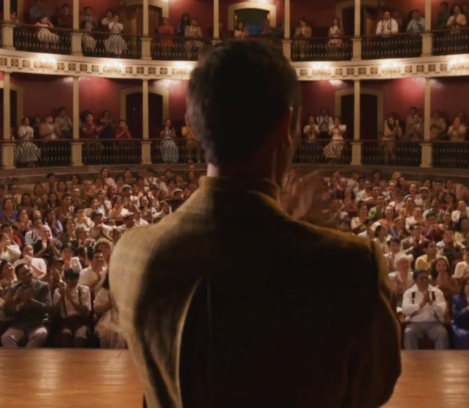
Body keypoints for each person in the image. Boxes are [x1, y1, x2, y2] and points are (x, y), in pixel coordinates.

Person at [110, 40, 401, 408]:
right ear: (285, 125)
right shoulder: (351, 264)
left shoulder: (129, 254)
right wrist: (310, 232)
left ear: (193, 127)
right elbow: (371, 391)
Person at [1, 263, 51, 348]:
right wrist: (17, 307)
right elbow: (6, 310)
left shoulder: (43, 286)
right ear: (18, 277)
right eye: (23, 273)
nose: (27, 274)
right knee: (5, 338)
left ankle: (25, 358)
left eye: (28, 271)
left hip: (37, 323)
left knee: (41, 334)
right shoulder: (14, 289)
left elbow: (47, 307)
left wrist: (31, 301)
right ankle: (19, 359)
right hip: (19, 324)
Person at [401, 268, 448, 350]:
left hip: (434, 323)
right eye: (421, 278)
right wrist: (421, 304)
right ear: (415, 281)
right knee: (409, 333)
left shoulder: (437, 292)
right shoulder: (409, 293)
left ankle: (441, 360)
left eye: (426, 278)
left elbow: (442, 311)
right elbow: (405, 309)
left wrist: (430, 302)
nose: (425, 280)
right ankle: (411, 361)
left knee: (442, 333)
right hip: (415, 323)